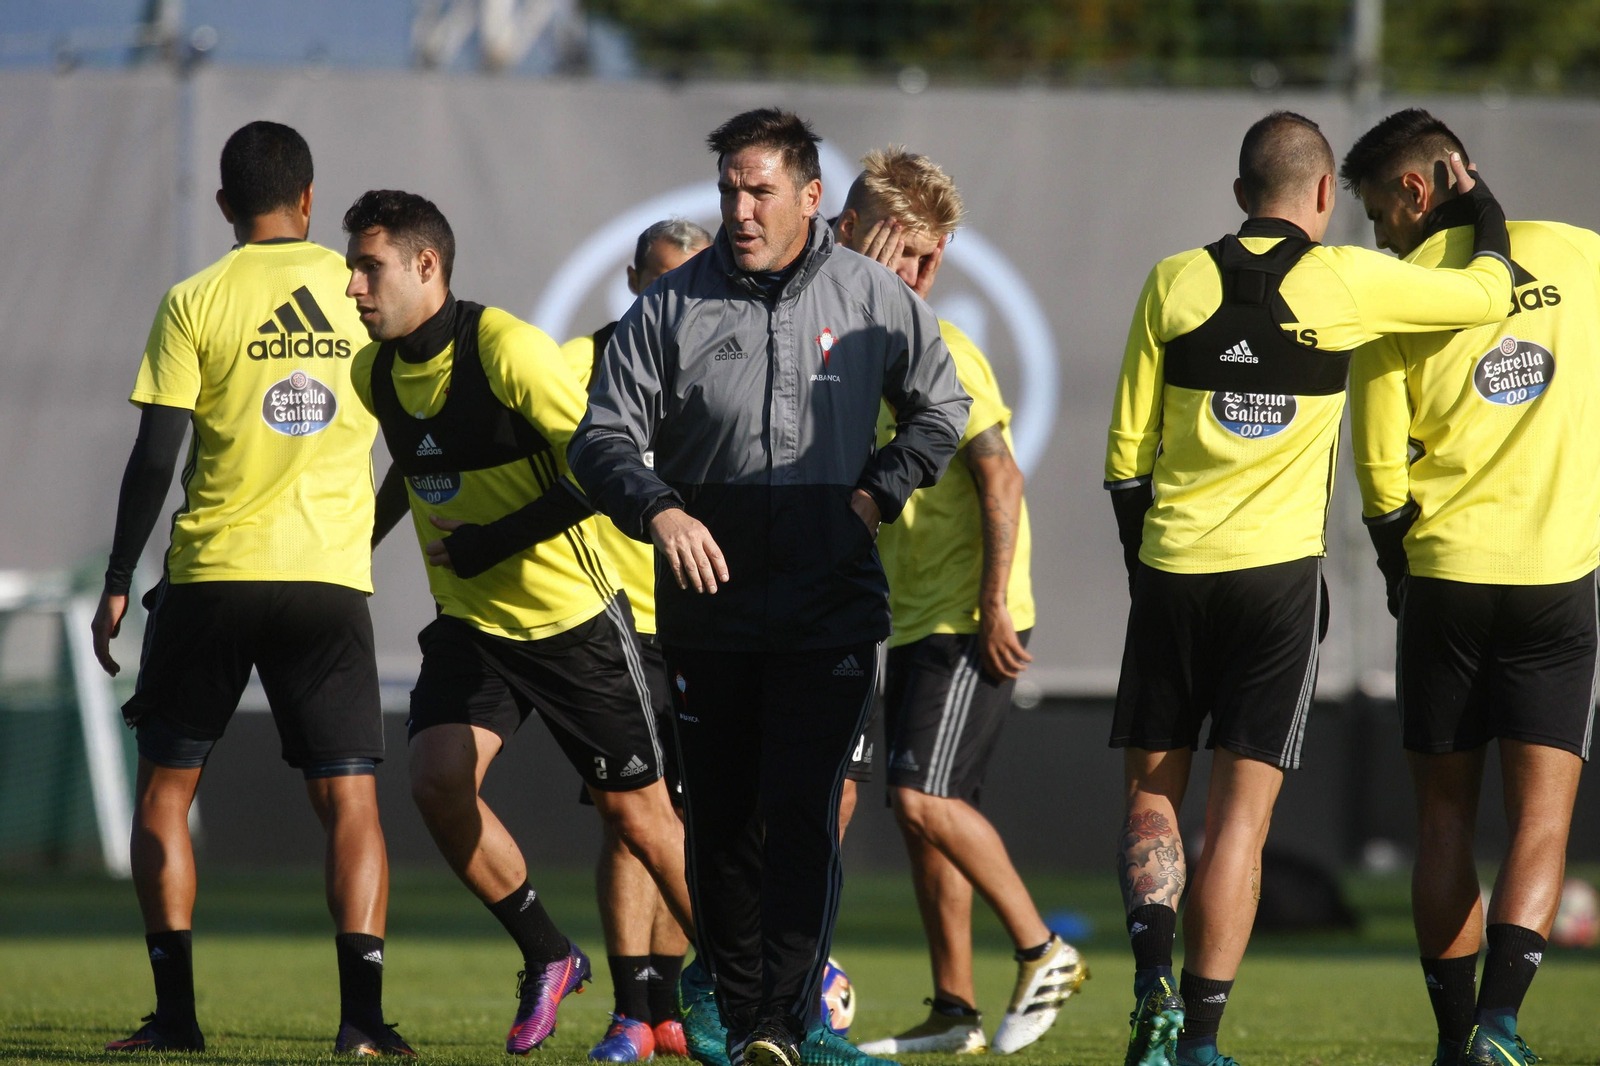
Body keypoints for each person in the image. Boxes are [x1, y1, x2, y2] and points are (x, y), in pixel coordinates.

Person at [1104, 110, 1513, 1066]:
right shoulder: (1346, 280)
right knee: (1236, 827)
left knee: (1152, 800)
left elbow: (1125, 464)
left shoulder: (1174, 279)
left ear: (1241, 195)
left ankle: (1150, 998)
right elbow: (1490, 296)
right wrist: (1472, 193)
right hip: (1277, 589)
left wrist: (1148, 574)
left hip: (1172, 573)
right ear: (1326, 196)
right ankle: (1200, 1042)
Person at [567, 108, 970, 1066]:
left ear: (810, 197)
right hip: (709, 612)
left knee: (802, 809)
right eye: (728, 192)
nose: (740, 211)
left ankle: (783, 1021)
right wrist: (661, 510)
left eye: (759, 191)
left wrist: (876, 494)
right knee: (722, 816)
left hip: (830, 605)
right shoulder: (670, 305)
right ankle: (738, 1006)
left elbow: (941, 410)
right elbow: (601, 437)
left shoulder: (875, 296)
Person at [89, 121, 411, 1056]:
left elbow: (156, 456)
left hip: (214, 578)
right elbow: (418, 431)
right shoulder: (361, 293)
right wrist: (369, 529)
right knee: (348, 800)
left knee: (164, 795)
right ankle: (362, 1022)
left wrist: (118, 579)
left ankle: (177, 1019)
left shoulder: (194, 300)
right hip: (326, 581)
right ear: (310, 200)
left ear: (226, 205)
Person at [345, 189, 693, 1056]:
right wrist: (351, 546)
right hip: (472, 626)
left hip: (572, 622)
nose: (353, 286)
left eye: (368, 266)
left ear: (427, 266)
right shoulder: (374, 370)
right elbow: (411, 463)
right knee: (435, 780)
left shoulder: (505, 349)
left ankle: (753, 995)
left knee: (646, 823)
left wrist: (495, 539)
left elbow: (600, 464)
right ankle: (549, 951)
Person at [1343, 109, 1600, 1066]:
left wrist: (1399, 568)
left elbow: (1377, 465)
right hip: (1556, 582)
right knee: (1543, 818)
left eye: (1376, 214)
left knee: (1443, 816)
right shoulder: (1582, 257)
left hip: (1446, 579)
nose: (1376, 237)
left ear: (1415, 191)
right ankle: (1501, 1028)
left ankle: (1455, 1042)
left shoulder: (1397, 293)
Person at [830, 148, 1086, 1056]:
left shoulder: (940, 348)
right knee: (924, 817)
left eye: (931, 260)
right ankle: (954, 1010)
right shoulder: (858, 343)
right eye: (910, 255)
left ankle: (1045, 949)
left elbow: (1002, 480)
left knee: (924, 796)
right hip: (910, 612)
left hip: (966, 614)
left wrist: (994, 604)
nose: (925, 280)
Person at [560, 217, 713, 1063]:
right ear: (630, 278)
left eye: (687, 280)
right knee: (627, 819)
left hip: (702, 616)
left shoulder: (723, 364)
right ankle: (630, 1010)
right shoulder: (585, 366)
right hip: (615, 617)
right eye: (657, 278)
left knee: (689, 818)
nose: (670, 296)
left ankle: (671, 1006)